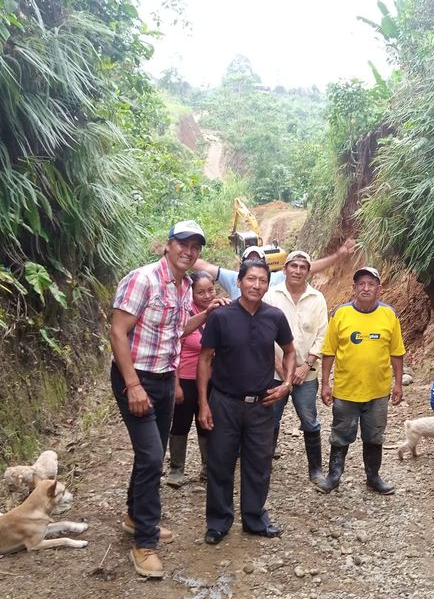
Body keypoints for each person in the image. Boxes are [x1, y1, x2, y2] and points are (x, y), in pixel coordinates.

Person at [109, 220, 219, 578]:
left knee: (150, 454)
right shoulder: (142, 279)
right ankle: (144, 542)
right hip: (136, 377)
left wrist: (206, 315)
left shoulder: (185, 286)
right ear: (168, 245)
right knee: (153, 457)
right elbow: (118, 332)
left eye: (195, 246)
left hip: (164, 378)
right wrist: (132, 384)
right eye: (183, 243)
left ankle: (134, 516)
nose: (189, 251)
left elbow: (177, 330)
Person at [196, 259, 296, 545]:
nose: (256, 285)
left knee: (259, 464)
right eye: (251, 279)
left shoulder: (275, 317)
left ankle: (254, 519)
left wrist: (287, 384)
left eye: (262, 280)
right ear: (239, 282)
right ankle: (218, 522)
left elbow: (289, 351)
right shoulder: (221, 317)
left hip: (261, 405)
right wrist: (203, 403)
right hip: (224, 402)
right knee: (220, 462)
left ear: (268, 285)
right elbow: (205, 359)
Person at [317, 266, 405, 495]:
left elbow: (397, 352)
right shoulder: (341, 314)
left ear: (379, 289)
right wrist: (325, 384)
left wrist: (398, 383)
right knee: (340, 435)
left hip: (378, 391)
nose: (366, 288)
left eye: (371, 284)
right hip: (346, 390)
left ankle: (373, 477)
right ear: (354, 287)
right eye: (361, 284)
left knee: (374, 436)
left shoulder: (389, 314)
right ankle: (334, 476)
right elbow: (329, 351)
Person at [264, 250, 330, 484]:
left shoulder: (317, 299)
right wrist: (280, 367)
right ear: (285, 269)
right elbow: (262, 335)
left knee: (310, 420)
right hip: (274, 372)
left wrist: (306, 365)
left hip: (306, 374)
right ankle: (263, 465)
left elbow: (323, 335)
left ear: (308, 272)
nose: (298, 271)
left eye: (303, 267)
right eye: (293, 266)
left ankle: (316, 470)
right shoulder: (271, 296)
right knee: (270, 419)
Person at [166, 270, 217, 487]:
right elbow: (173, 351)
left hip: (212, 379)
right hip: (186, 378)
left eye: (210, 290)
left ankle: (208, 467)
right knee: (181, 423)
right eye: (201, 292)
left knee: (207, 422)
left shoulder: (220, 312)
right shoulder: (185, 315)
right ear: (191, 293)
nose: (207, 296)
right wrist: (176, 384)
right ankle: (176, 469)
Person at [194, 238, 357, 300]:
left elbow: (308, 268)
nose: (253, 264)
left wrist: (337, 256)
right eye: (249, 260)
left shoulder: (277, 278)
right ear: (242, 265)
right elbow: (205, 267)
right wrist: (181, 259)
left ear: (265, 265)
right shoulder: (232, 278)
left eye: (257, 261)